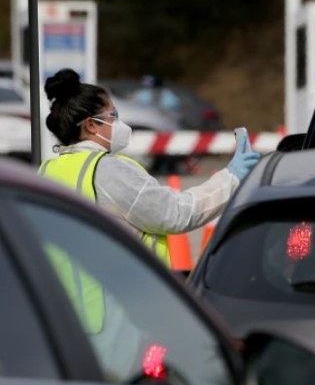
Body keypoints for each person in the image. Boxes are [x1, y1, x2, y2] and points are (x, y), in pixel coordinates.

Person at [38, 68, 261, 267]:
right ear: (91, 124)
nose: (119, 123)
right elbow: (176, 213)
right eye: (113, 116)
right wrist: (231, 177)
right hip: (122, 306)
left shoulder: (47, 171)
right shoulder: (108, 171)